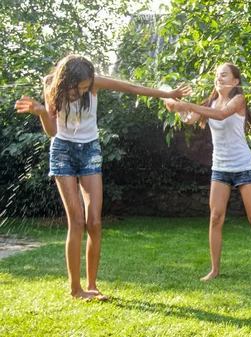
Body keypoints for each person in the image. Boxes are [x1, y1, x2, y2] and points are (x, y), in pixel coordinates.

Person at [14, 54, 192, 300]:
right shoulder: (51, 86)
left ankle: (92, 285)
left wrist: (168, 94)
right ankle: (76, 289)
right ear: (66, 80)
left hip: (90, 150)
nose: (83, 91)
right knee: (76, 221)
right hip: (63, 150)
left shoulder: (94, 82)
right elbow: (52, 131)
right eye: (79, 88)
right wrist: (42, 112)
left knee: (94, 222)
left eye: (87, 87)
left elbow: (130, 88)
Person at [163, 63, 251, 281]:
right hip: (220, 167)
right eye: (216, 75)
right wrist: (172, 103)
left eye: (224, 75)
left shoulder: (238, 100)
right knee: (215, 217)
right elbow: (189, 119)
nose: (218, 78)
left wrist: (187, 104)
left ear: (235, 81)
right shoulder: (209, 103)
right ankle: (214, 269)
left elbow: (221, 115)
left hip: (243, 166)